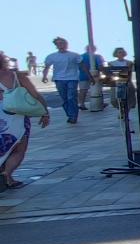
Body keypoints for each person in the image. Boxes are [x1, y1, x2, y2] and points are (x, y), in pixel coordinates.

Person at [0, 51, 51, 191]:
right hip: (16, 115)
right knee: (19, 149)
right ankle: (7, 175)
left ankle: (6, 176)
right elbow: (34, 94)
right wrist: (44, 112)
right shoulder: (17, 76)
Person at [40, 38, 84, 124]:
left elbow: (82, 65)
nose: (61, 45)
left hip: (72, 78)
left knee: (71, 97)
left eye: (63, 43)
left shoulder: (74, 55)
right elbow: (47, 67)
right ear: (56, 45)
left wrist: (90, 76)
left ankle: (73, 116)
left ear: (66, 44)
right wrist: (44, 76)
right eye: (59, 43)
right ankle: (69, 114)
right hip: (59, 79)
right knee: (65, 98)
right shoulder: (51, 56)